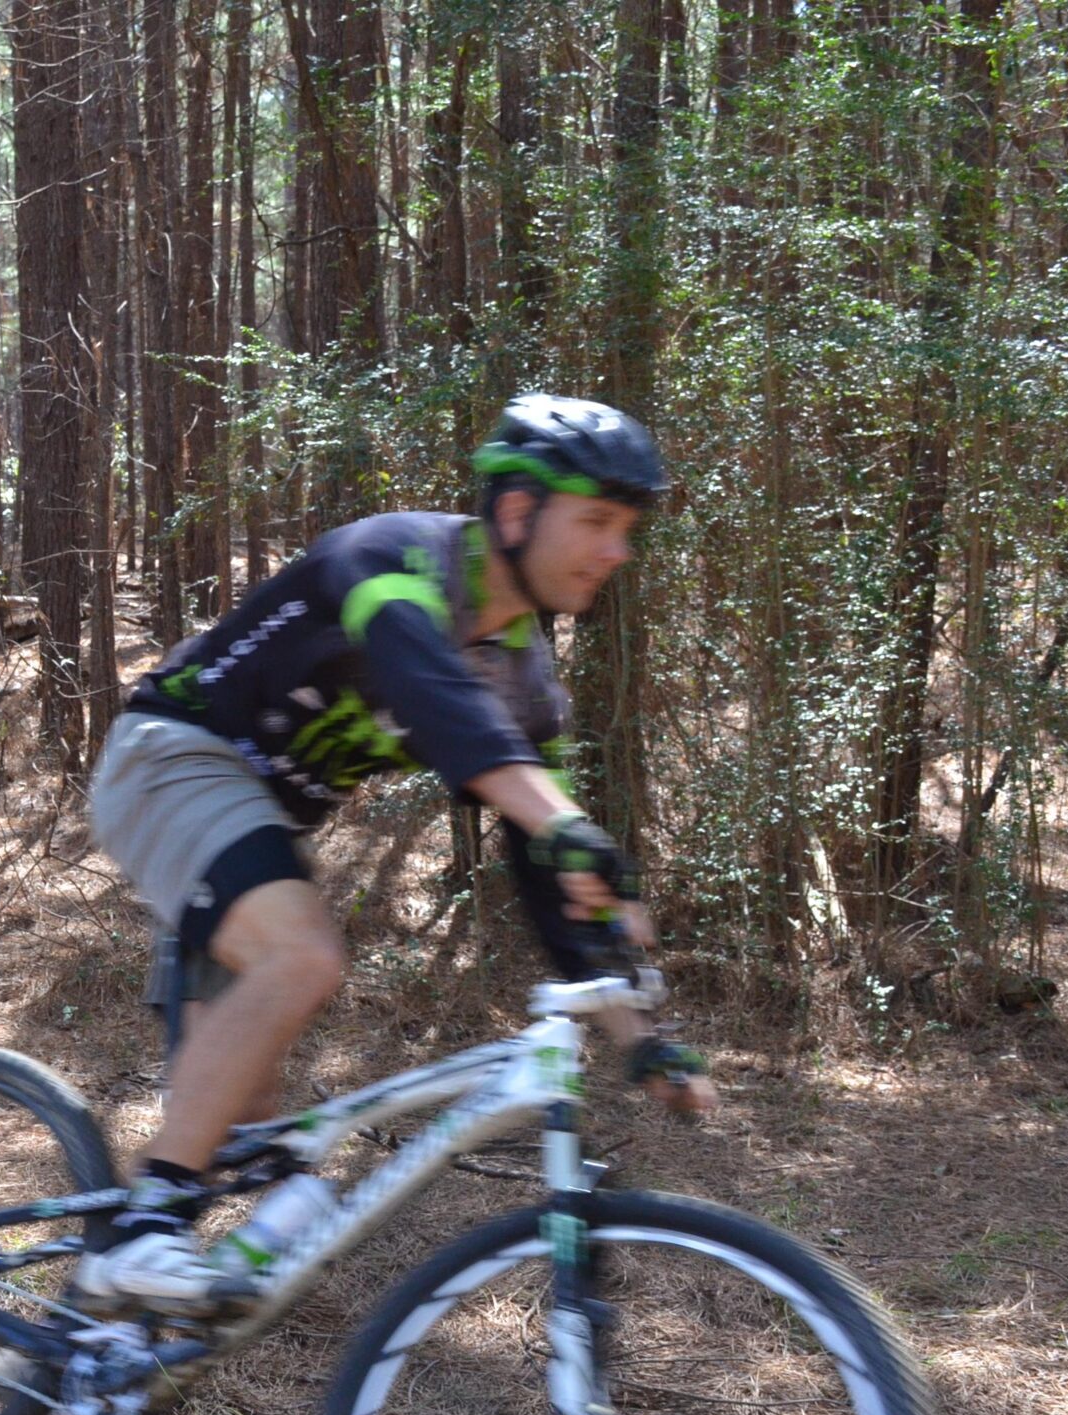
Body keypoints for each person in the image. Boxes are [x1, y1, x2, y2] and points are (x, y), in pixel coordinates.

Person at [78, 395, 717, 1317]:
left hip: (262, 825)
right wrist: (571, 828)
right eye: (597, 521)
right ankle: (144, 1233)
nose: (617, 550)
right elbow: (439, 702)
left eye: (627, 529)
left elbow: (553, 878)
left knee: (272, 1179)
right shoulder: (390, 560)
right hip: (174, 757)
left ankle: (89, 1364)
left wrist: (639, 1035)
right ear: (514, 512)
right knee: (304, 958)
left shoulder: (528, 683)